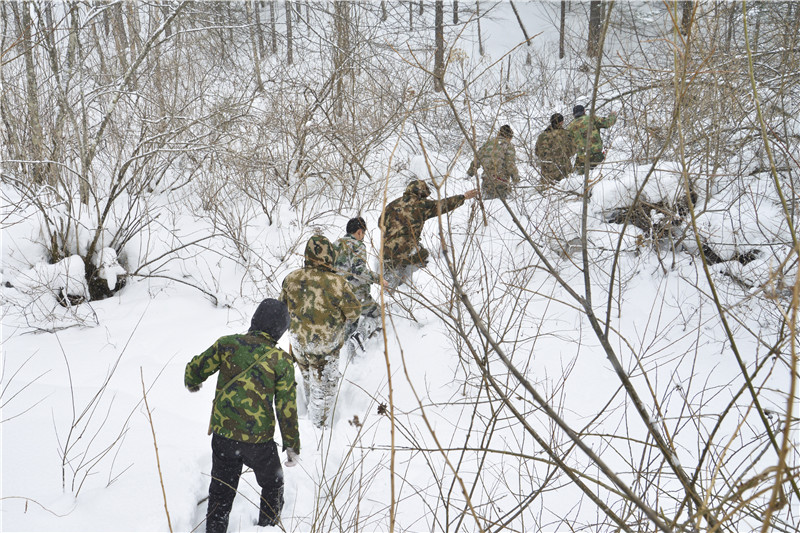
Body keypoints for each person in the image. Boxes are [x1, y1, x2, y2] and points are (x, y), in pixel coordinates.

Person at [184, 298, 300, 533]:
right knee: (273, 484)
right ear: (280, 330)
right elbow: (286, 407)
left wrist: (192, 382)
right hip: (259, 443)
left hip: (224, 437)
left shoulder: (227, 344)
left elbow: (195, 369)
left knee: (221, 492)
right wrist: (292, 445)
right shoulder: (282, 361)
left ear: (255, 319)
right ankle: (268, 527)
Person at [280, 235, 361, 427]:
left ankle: (309, 411)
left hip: (299, 343)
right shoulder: (336, 283)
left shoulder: (291, 278)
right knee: (324, 391)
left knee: (308, 379)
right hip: (326, 348)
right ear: (329, 256)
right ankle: (317, 432)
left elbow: (281, 307)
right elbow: (354, 312)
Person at [380, 180, 478, 289]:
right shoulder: (421, 205)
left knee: (389, 274)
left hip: (386, 251)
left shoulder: (392, 204)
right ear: (420, 193)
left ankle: (388, 286)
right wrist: (463, 197)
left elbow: (381, 223)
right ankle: (413, 278)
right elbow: (444, 204)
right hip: (406, 250)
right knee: (424, 255)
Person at [334, 217, 388, 351]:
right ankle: (360, 335)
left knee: (350, 317)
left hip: (335, 292)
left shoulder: (335, 244)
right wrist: (379, 279)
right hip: (354, 293)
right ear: (359, 232)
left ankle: (345, 347)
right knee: (379, 314)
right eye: (363, 233)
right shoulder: (357, 245)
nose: (363, 236)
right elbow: (359, 272)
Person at [467, 124, 520, 200]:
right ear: (509, 136)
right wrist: (516, 179)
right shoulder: (508, 145)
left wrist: (469, 173)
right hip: (501, 183)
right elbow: (510, 164)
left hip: (486, 181)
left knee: (488, 207)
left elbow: (477, 160)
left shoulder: (487, 143)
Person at [567, 104, 618, 173]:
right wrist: (613, 115)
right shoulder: (591, 118)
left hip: (581, 156)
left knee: (578, 177)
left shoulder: (570, 126)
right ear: (584, 111)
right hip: (596, 154)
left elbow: (569, 144)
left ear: (573, 114)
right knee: (598, 173)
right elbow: (607, 123)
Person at [534, 113, 576, 187]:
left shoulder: (542, 136)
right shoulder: (567, 134)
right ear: (561, 122)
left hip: (547, 171)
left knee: (548, 194)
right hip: (564, 170)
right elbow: (573, 150)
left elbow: (537, 152)